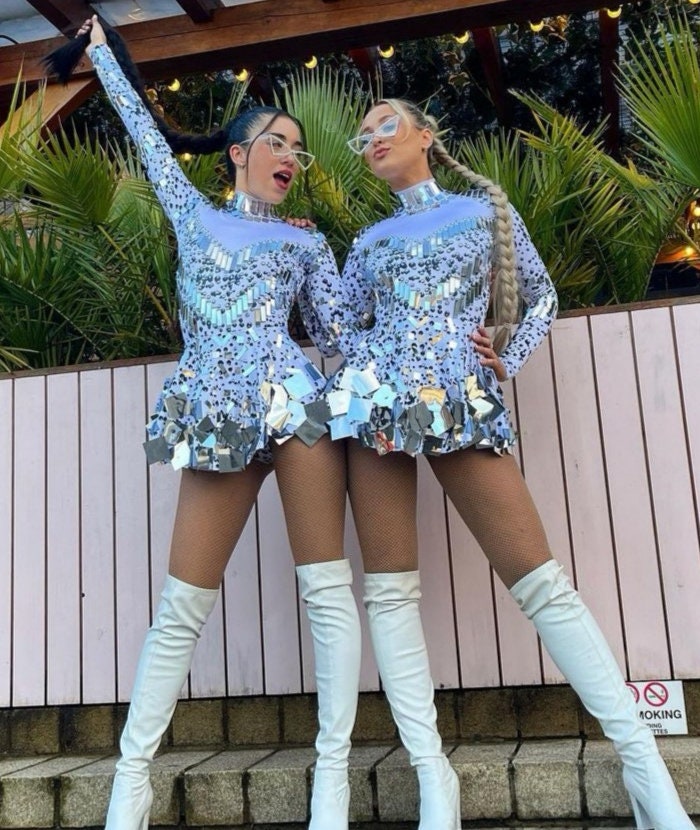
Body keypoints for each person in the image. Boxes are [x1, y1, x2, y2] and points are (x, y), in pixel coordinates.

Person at [319, 98, 694, 830]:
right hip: (375, 409)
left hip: (460, 400)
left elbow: (541, 295)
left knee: (542, 583)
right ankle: (434, 782)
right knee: (389, 594)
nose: (372, 140)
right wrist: (361, 336)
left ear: (426, 135)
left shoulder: (482, 212)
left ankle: (644, 766)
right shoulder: (366, 241)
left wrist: (504, 355)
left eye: (385, 126)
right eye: (362, 137)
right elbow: (341, 328)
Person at [45, 17, 360, 830]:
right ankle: (131, 783)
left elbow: (341, 338)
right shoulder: (191, 212)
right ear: (239, 152)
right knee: (182, 604)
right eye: (278, 142)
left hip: (295, 407)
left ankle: (331, 786)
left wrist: (443, 334)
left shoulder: (306, 242)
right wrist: (103, 52)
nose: (291, 156)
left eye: (300, 150)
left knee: (327, 593)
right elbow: (143, 132)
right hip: (217, 413)